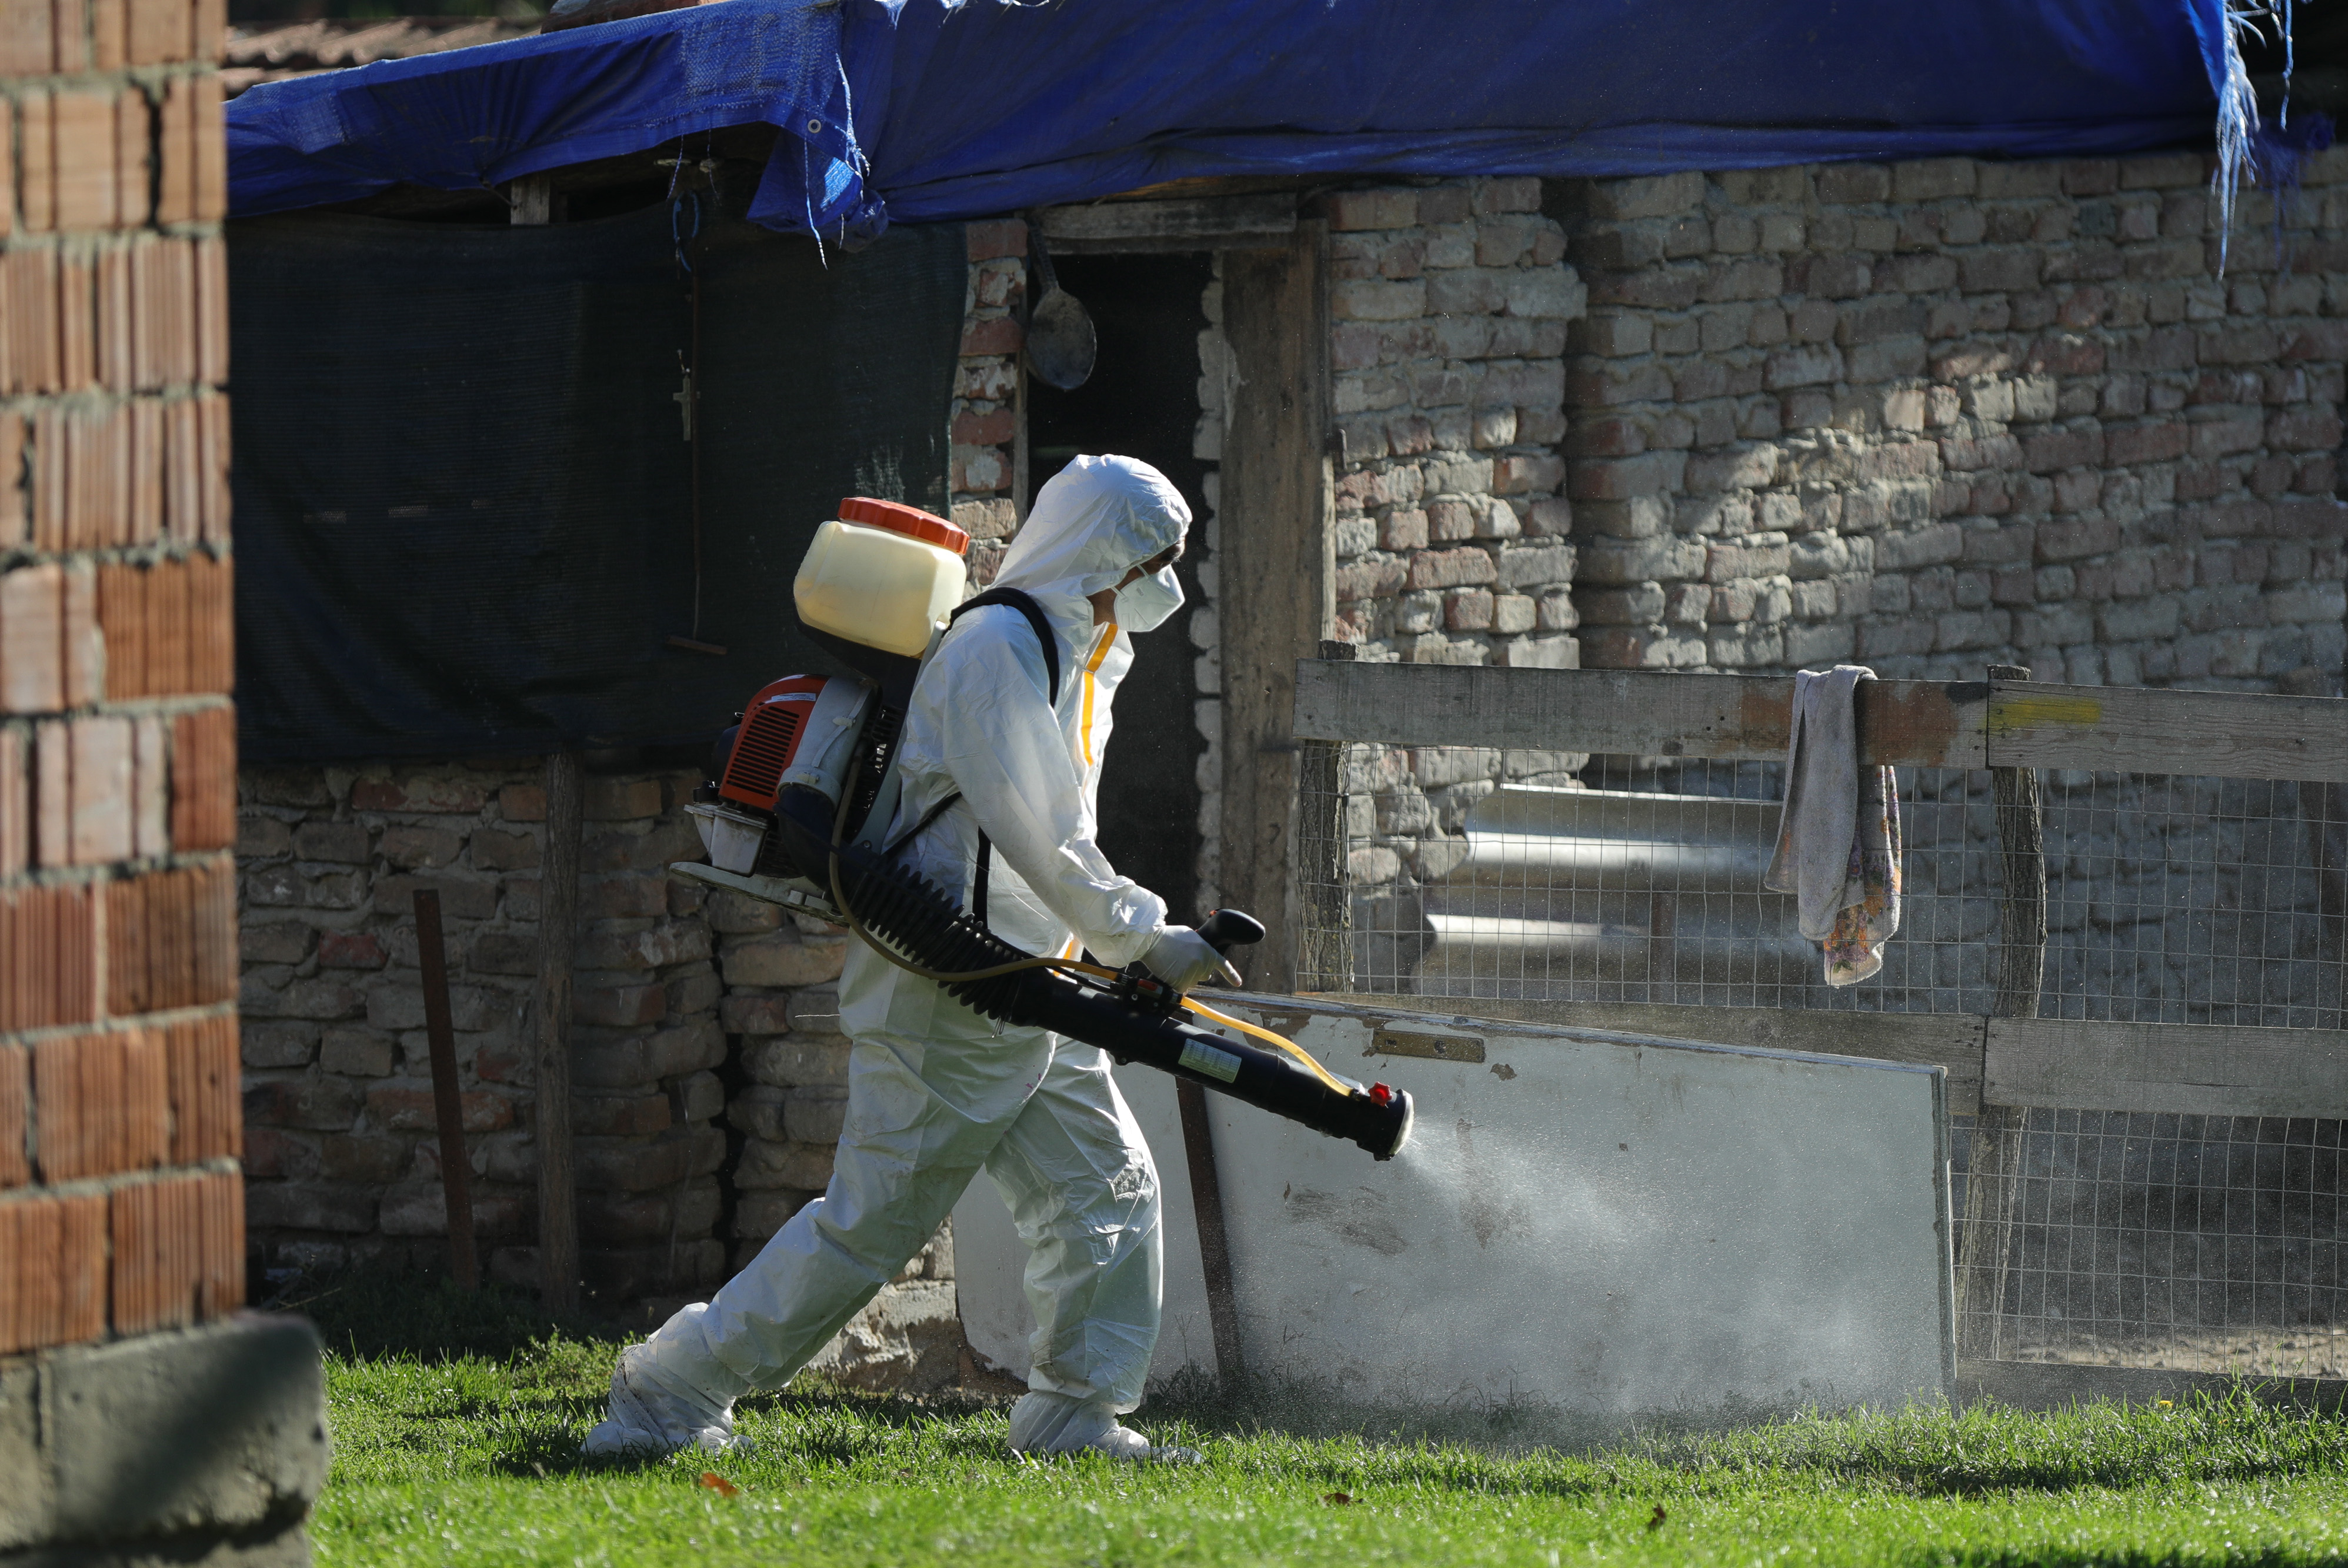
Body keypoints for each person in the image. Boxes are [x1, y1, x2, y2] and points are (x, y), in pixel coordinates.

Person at [584, 455, 1232, 1462]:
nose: (1164, 583)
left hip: (1032, 984)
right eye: (1154, 558)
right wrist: (1145, 935)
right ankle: (667, 1392)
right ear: (1099, 550)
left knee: (1108, 1191)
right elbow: (1042, 832)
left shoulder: (1075, 651)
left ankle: (1074, 1417)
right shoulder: (998, 651)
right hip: (951, 993)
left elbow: (1043, 849)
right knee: (871, 1229)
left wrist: (1106, 952)